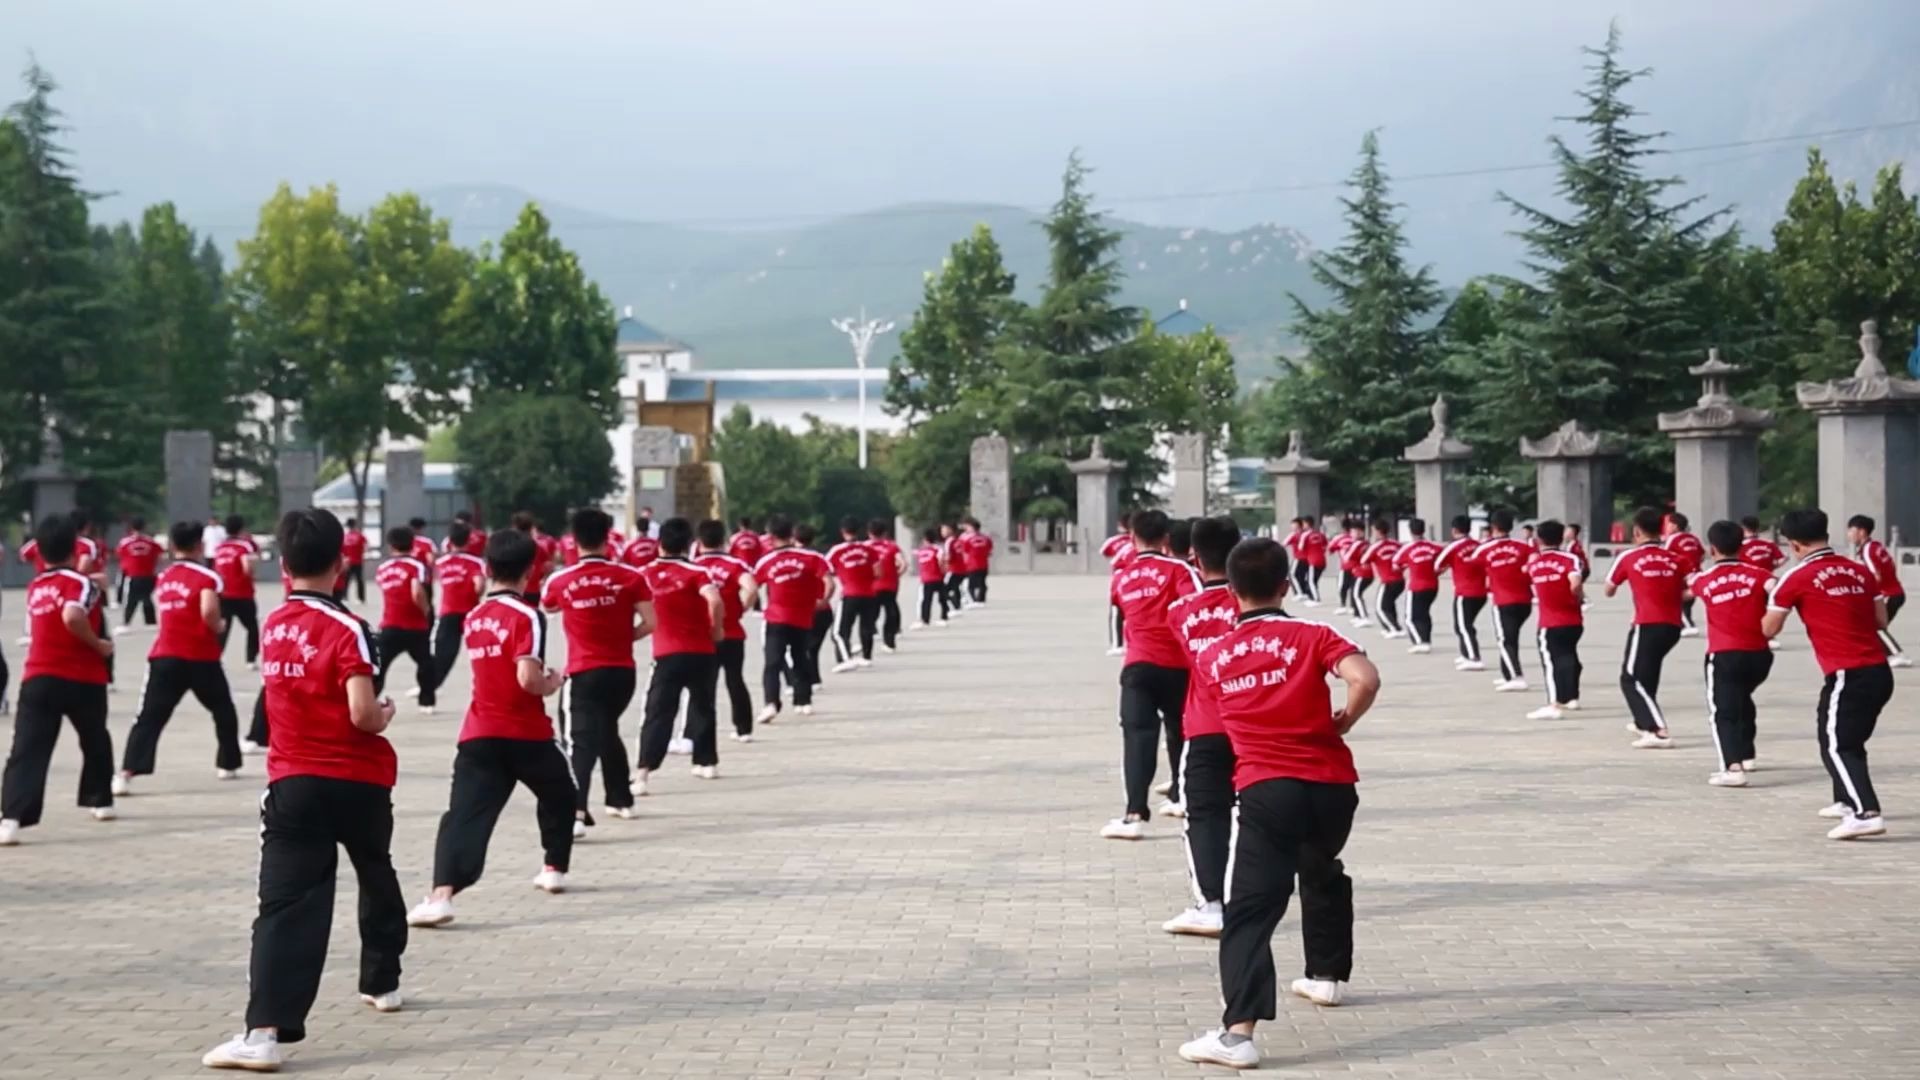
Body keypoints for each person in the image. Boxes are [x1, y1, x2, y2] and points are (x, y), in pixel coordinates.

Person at [198, 509, 406, 1070]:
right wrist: (385, 712)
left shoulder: (273, 625)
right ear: (342, 564)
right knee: (375, 871)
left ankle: (262, 1032)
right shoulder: (352, 629)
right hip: (360, 782)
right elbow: (362, 713)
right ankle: (382, 982)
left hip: (295, 784)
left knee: (287, 906)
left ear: (284, 565)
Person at [1177, 537, 1380, 1071]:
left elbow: (1211, 731)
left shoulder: (1213, 654)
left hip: (1268, 788)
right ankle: (1326, 976)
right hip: (1334, 786)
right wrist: (1347, 718)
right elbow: (1366, 677)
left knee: (1249, 909)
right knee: (1320, 869)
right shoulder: (1313, 635)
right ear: (1286, 585)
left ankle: (1237, 1033)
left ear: (1233, 592)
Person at [406, 529, 575, 930]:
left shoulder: (475, 616)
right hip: (526, 734)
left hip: (479, 733)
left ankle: (440, 896)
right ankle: (553, 867)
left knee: (464, 816)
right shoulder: (528, 614)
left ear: (488, 567)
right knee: (562, 795)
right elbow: (526, 678)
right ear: (530, 570)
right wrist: (551, 682)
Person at [1763, 509, 1893, 840]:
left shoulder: (1796, 577)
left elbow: (1769, 629)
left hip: (1848, 673)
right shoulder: (1860, 570)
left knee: (1837, 744)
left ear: (1793, 544)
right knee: (1843, 737)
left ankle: (1866, 812)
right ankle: (1845, 801)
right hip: (1879, 670)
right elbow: (1881, 621)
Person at [0, 515, 116, 846]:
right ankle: (100, 800)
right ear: (72, 546)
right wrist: (99, 644)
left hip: (38, 675)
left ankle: (11, 816)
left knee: (27, 748)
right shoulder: (80, 583)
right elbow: (72, 616)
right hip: (82, 677)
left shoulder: (36, 586)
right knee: (94, 739)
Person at [114, 521, 243, 795]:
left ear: (173, 546)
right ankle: (227, 763)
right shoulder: (208, 577)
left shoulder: (165, 576)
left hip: (166, 656)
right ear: (199, 545)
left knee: (149, 716)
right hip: (202, 657)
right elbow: (209, 610)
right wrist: (218, 625)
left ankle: (126, 772)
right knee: (223, 710)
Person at [541, 509, 651, 828]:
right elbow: (650, 622)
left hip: (584, 671)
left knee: (580, 741)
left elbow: (548, 606)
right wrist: (621, 636)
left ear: (573, 540)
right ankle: (620, 798)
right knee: (606, 730)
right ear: (608, 537)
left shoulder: (561, 580)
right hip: (622, 673)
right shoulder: (631, 577)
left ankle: (574, 810)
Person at [1160, 516, 1241, 937]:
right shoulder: (1252, 603)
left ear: (1193, 555)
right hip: (1255, 727)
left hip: (1206, 726)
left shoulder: (1179, 613)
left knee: (1205, 814)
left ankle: (1210, 903)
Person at [1102, 510, 1199, 839]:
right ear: (1166, 540)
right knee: (1180, 731)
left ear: (1132, 538)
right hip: (1177, 665)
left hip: (1137, 665)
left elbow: (1121, 610)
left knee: (1137, 736)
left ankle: (1134, 814)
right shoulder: (1179, 570)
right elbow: (1196, 607)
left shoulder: (1122, 576)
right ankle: (1182, 796)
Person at [635, 518, 726, 785]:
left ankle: (643, 771)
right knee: (703, 706)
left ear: (659, 543)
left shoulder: (644, 573)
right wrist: (716, 629)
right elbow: (715, 599)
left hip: (666, 652)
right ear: (689, 543)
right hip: (701, 650)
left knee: (658, 711)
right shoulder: (697, 572)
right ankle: (705, 762)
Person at [1691, 521, 1773, 787]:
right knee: (1742, 696)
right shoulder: (1760, 575)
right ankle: (1746, 754)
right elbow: (1779, 590)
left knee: (1723, 711)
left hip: (1724, 655)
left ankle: (1732, 767)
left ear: (1712, 549)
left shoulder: (1704, 580)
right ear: (1741, 546)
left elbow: (1688, 590)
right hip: (1759, 655)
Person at [1604, 507, 1686, 749]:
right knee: (1647, 674)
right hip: (1673, 625)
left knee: (1630, 677)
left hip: (1646, 623)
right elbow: (1692, 588)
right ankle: (1642, 721)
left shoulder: (1629, 557)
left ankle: (1657, 730)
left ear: (1637, 532)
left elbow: (1608, 589)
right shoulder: (1675, 558)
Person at [755, 517, 831, 722]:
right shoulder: (812, 557)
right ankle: (803, 701)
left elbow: (752, 586)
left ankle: (771, 703)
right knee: (800, 657)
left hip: (776, 618)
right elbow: (828, 580)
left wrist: (745, 606)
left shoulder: (766, 561)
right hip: (802, 616)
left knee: (773, 662)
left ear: (770, 537)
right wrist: (822, 601)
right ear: (792, 534)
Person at [695, 520, 758, 743]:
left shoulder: (694, 565)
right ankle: (744, 728)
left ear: (700, 541)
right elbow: (751, 587)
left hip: (705, 634)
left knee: (706, 685)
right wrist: (741, 608)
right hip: (732, 631)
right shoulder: (734, 564)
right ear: (723, 540)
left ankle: (703, 733)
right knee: (735, 679)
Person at [1524, 520, 1585, 721]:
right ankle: (1571, 697)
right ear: (1561, 537)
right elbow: (1575, 583)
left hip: (1549, 621)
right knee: (1569, 655)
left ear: (1539, 539)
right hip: (1573, 618)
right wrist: (1576, 597)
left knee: (1551, 661)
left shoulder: (1534, 562)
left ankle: (1553, 702)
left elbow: (1527, 576)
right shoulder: (1570, 559)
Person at [374, 527, 437, 715]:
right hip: (415, 625)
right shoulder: (417, 566)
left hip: (390, 624)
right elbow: (417, 591)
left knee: (379, 665)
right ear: (412, 544)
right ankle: (426, 702)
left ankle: (370, 697)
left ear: (390, 545)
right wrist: (427, 611)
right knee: (425, 663)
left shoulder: (382, 568)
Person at [1471, 509, 1534, 692]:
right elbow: (1533, 563)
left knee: (1505, 639)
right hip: (1524, 600)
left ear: (1493, 527)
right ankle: (1507, 674)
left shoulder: (1484, 549)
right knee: (1511, 637)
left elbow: (1474, 566)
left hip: (1503, 600)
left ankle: (1516, 676)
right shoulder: (1523, 546)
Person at [1847, 514, 1912, 667]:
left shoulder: (1867, 550)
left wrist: (1864, 594)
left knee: (1875, 625)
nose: (1849, 534)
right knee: (1869, 627)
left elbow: (1875, 576)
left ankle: (1896, 654)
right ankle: (1878, 655)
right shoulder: (1876, 547)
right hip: (1895, 593)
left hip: (1888, 595)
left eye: (1851, 530)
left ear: (1862, 532)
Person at [431, 524, 487, 688]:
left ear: (450, 541)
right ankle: (483, 683)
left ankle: (431, 686)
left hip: (448, 612)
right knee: (481, 651)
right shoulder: (476, 562)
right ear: (468, 540)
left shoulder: (441, 562)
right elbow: (479, 585)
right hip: (471, 613)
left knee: (444, 653)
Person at [827, 518, 879, 673]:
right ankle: (867, 656)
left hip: (849, 593)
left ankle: (844, 658)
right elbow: (878, 572)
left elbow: (826, 569)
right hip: (869, 593)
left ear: (843, 532)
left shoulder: (837, 550)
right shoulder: (869, 550)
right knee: (867, 626)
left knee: (840, 630)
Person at [1435, 515, 1486, 671]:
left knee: (1463, 625)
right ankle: (1465, 654)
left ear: (1454, 530)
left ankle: (1474, 657)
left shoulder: (1454, 546)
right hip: (1481, 591)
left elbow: (1437, 565)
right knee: (1465, 624)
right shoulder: (1479, 545)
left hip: (1465, 592)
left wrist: (1446, 568)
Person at [213, 516, 261, 668]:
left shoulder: (220, 547)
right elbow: (247, 567)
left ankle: (216, 657)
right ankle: (250, 659)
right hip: (242, 593)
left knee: (223, 628)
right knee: (252, 627)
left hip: (224, 593)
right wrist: (253, 573)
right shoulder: (244, 546)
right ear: (241, 528)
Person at [1394, 519, 1442, 654]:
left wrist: (1408, 566)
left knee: (1411, 617)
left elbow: (1395, 565)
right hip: (1433, 585)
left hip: (1416, 586)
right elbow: (1443, 563)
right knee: (1425, 613)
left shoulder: (1407, 548)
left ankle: (1419, 641)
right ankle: (1427, 640)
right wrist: (1436, 572)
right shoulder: (1435, 547)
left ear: (1410, 531)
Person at [114, 516, 161, 632]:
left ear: (131, 527)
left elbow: (119, 555)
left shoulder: (125, 542)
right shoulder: (151, 542)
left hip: (132, 575)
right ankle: (151, 622)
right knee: (147, 598)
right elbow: (159, 555)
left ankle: (126, 622)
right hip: (149, 575)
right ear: (144, 527)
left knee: (130, 599)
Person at [1361, 520, 1404, 639]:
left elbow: (1363, 559)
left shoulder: (1375, 546)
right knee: (1389, 603)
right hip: (1400, 580)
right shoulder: (1396, 544)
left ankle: (1392, 628)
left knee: (1380, 607)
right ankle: (1396, 627)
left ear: (1378, 532)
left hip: (1388, 581)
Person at [867, 519, 905, 652]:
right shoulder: (892, 546)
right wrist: (897, 574)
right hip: (890, 584)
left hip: (872, 585)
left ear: (869, 533)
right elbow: (903, 563)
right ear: (885, 533)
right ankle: (889, 642)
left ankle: (868, 636)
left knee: (872, 612)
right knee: (890, 612)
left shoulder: (866, 546)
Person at [1665, 512, 1706, 636]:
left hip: (1682, 575)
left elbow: (1666, 555)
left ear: (1675, 526)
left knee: (1674, 600)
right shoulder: (1693, 538)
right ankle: (1685, 622)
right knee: (1687, 602)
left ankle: (1688, 626)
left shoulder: (1673, 538)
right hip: (1697, 573)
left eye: (1669, 524)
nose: (1667, 527)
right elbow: (1702, 555)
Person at [913, 526, 950, 629]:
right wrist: (944, 572)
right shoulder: (938, 549)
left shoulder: (922, 550)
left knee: (926, 600)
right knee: (942, 599)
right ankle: (944, 617)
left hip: (926, 579)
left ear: (925, 539)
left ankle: (925, 619)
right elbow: (942, 561)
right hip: (938, 577)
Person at [1345, 520, 1375, 628]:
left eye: (1356, 532)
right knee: (1354, 593)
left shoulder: (1357, 544)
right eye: (1352, 532)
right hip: (1365, 573)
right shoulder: (1367, 543)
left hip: (1362, 573)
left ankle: (1364, 616)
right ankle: (1357, 615)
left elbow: (1346, 557)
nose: (1353, 534)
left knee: (1356, 594)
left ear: (1361, 532)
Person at [1329, 520, 1362, 616]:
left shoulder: (1339, 538)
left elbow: (1330, 549)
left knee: (1342, 586)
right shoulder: (1356, 539)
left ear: (1342, 528)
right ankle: (1352, 606)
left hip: (1345, 566)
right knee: (1353, 586)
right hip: (1356, 566)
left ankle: (1342, 606)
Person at [961, 517, 994, 605]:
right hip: (983, 564)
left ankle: (972, 600)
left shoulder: (966, 538)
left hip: (971, 564)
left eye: (967, 526)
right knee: (982, 583)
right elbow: (990, 551)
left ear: (972, 527)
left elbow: (965, 552)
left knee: (971, 584)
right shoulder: (986, 538)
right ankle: (981, 599)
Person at [1297, 517, 1328, 606]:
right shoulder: (1320, 534)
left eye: (1303, 524)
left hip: (1313, 560)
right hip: (1322, 559)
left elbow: (1300, 547)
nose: (1302, 526)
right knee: (1314, 580)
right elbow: (1325, 546)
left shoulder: (1305, 535)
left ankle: (1315, 599)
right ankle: (1312, 597)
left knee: (1310, 580)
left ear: (1307, 524)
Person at [340, 519, 369, 603]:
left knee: (348, 580)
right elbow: (366, 547)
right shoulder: (359, 535)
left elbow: (342, 550)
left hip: (351, 561)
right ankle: (359, 598)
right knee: (356, 580)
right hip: (355, 561)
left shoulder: (346, 536)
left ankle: (347, 597)